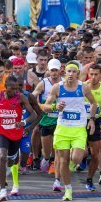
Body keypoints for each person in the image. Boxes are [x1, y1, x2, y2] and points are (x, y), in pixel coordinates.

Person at [43, 61, 97, 201]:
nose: (71, 74)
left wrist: (92, 119)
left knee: (76, 158)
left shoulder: (83, 87)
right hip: (62, 129)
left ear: (78, 74)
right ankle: (68, 189)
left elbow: (94, 103)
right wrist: (55, 106)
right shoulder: (57, 88)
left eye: (74, 71)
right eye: (69, 71)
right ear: (64, 73)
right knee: (63, 160)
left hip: (78, 128)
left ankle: (70, 175)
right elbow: (46, 106)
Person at [0, 76, 36, 201]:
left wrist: (24, 122)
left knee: (11, 161)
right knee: (2, 157)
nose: (14, 91)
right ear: (5, 87)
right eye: (11, 89)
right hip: (2, 132)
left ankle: (9, 167)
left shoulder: (20, 97)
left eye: (16, 88)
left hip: (16, 133)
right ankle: (2, 190)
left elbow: (34, 114)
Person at [33, 59, 63, 191]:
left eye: (56, 70)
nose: (54, 73)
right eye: (52, 70)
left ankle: (54, 166)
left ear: (60, 70)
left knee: (57, 148)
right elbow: (32, 97)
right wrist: (41, 106)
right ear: (48, 71)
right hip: (45, 121)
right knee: (46, 150)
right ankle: (46, 158)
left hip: (60, 121)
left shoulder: (64, 83)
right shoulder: (43, 83)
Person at [84, 64, 101, 190]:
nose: (93, 77)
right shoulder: (83, 86)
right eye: (91, 74)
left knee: (97, 151)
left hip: (97, 120)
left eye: (96, 74)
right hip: (82, 121)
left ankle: (94, 177)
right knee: (81, 153)